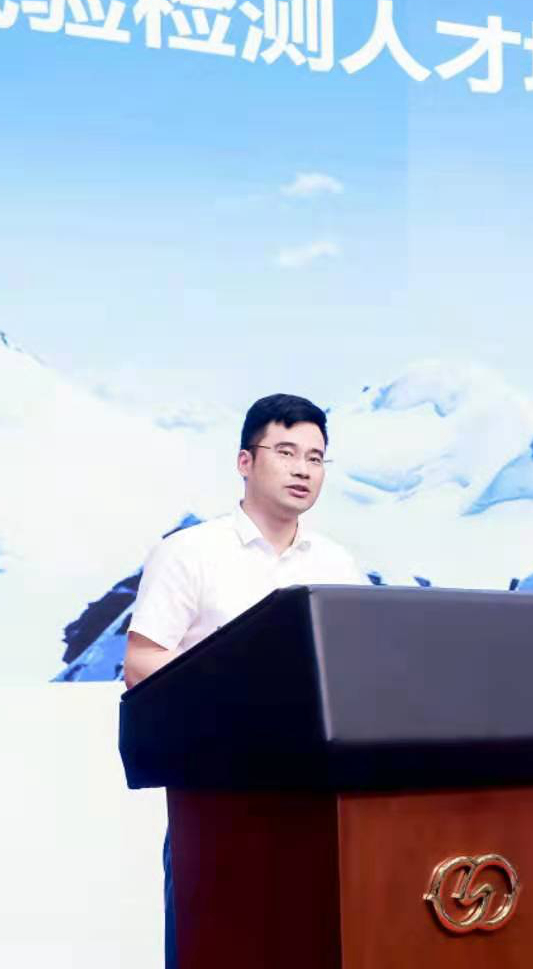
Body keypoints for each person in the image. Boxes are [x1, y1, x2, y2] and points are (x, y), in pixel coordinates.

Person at [123, 393, 367, 969]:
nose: (303, 469)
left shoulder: (338, 565)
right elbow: (140, 664)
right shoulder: (190, 552)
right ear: (244, 461)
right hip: (217, 799)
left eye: (315, 457)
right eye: (286, 452)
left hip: (317, 804)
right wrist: (239, 701)